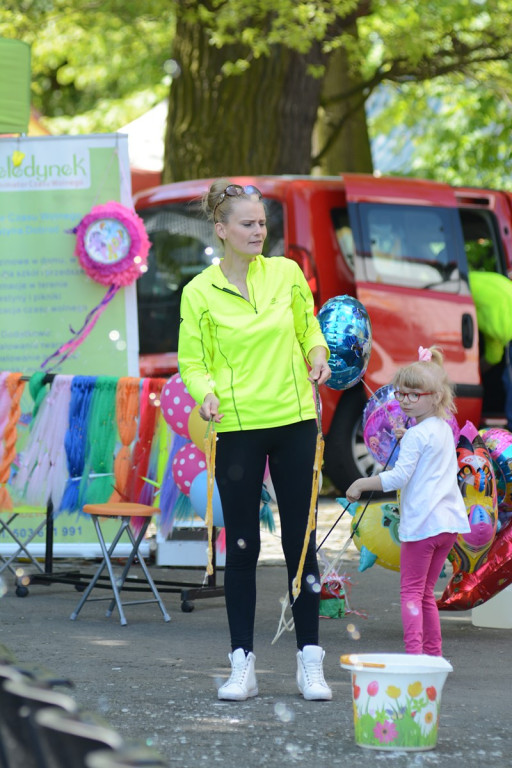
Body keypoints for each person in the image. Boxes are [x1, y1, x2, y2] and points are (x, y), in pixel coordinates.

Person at [178, 179, 333, 701]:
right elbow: (192, 362)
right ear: (221, 230)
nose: (258, 231)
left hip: (294, 421)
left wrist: (318, 355)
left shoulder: (287, 273)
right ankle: (241, 664)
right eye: (247, 223)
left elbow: (309, 329)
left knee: (300, 544)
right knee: (242, 546)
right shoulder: (198, 292)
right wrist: (204, 393)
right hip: (237, 428)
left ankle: (310, 661)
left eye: (262, 223)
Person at [346, 346, 471, 657]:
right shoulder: (441, 429)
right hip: (447, 525)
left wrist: (361, 484)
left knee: (411, 594)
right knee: (426, 593)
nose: (404, 400)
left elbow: (397, 478)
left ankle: (414, 656)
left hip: (423, 526)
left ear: (436, 397)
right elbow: (426, 455)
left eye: (414, 394)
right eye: (401, 393)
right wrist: (408, 438)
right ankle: (433, 655)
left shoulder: (416, 435)